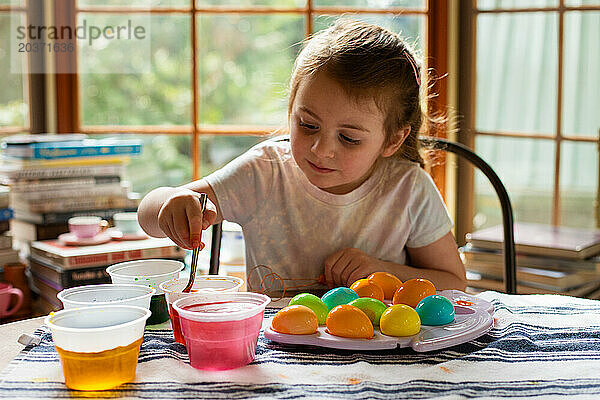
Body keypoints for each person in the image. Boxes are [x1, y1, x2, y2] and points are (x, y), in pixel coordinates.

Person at [138, 18, 466, 294]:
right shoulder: (264, 172)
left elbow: (454, 284)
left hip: (380, 357)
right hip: (278, 356)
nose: (320, 149)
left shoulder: (408, 189)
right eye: (307, 124)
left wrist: (382, 271)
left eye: (349, 138)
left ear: (392, 140)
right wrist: (174, 201)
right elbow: (148, 217)